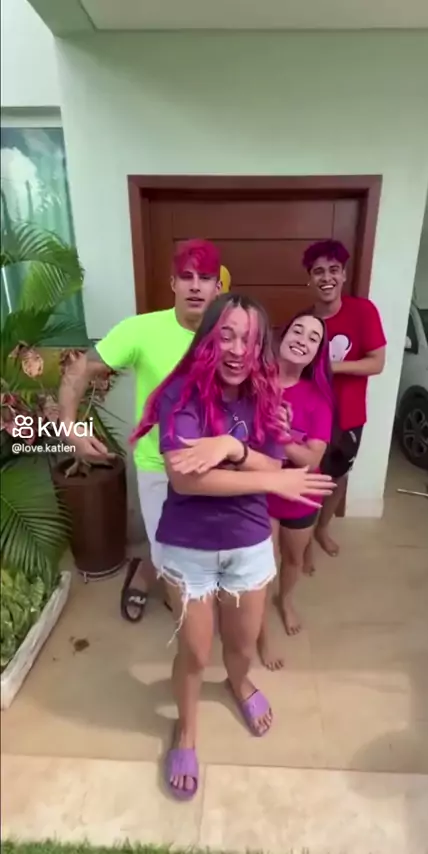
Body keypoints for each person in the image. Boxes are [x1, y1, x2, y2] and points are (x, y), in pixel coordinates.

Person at [130, 292, 334, 800]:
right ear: (208, 339)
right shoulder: (180, 393)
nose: (238, 349)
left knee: (242, 646)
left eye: (249, 339)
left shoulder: (265, 396)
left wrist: (232, 447)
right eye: (226, 335)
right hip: (189, 550)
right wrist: (267, 478)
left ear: (261, 345)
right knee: (196, 652)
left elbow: (277, 463)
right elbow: (186, 479)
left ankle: (239, 684)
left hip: (248, 546)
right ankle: (187, 732)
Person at [58, 239, 224, 621]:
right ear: (173, 283)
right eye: (186, 276)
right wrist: (69, 426)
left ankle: (157, 579)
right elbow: (80, 368)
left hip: (213, 465)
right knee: (168, 553)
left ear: (218, 286)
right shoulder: (141, 330)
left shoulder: (229, 333)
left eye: (204, 277)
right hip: (157, 466)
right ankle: (163, 590)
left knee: (204, 550)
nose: (195, 286)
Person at [302, 239, 386, 566]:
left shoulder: (363, 311)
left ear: (344, 274)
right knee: (308, 479)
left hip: (349, 416)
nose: (327, 277)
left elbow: (376, 363)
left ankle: (322, 528)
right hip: (310, 418)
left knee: (337, 477)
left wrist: (329, 367)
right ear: (309, 278)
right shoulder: (305, 321)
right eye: (318, 271)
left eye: (333, 270)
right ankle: (303, 542)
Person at [258, 310, 334, 670]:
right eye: (297, 330)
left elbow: (311, 459)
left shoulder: (318, 399)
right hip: (258, 491)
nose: (303, 339)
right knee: (262, 569)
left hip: (300, 494)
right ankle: (261, 636)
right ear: (282, 337)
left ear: (317, 353)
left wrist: (284, 437)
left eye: (313, 337)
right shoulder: (253, 382)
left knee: (292, 560)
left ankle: (285, 601)